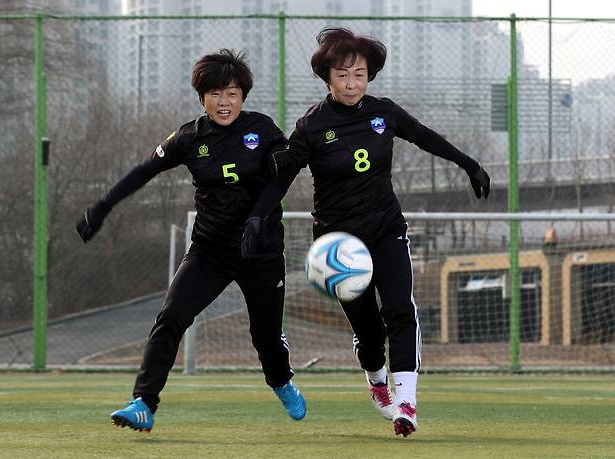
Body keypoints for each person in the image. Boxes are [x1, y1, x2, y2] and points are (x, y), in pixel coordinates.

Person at [242, 28, 490, 437]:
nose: (352, 82)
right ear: (327, 77)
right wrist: (256, 217)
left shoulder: (384, 112)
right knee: (370, 333)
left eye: (360, 74)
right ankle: (377, 382)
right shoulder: (313, 124)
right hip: (338, 245)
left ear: (369, 75)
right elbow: (282, 179)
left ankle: (406, 403)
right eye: (343, 74)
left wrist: (468, 164)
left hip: (385, 228)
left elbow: (425, 136)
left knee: (400, 309)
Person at [76, 49, 306, 432]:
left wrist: (256, 220)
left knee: (265, 339)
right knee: (171, 317)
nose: (224, 101)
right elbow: (145, 170)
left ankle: (281, 381)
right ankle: (143, 403)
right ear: (202, 97)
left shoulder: (263, 129)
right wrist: (103, 206)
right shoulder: (188, 137)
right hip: (210, 250)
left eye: (232, 93)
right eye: (215, 93)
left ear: (243, 96)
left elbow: (282, 177)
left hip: (260, 250)